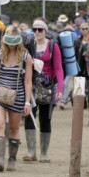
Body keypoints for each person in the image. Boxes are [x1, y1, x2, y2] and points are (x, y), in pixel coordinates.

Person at [0, 26, 33, 172]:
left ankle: (12, 159)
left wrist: (27, 102)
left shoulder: (26, 57)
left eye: (14, 40)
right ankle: (0, 158)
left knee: (14, 128)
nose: (11, 44)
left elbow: (28, 81)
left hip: (18, 95)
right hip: (0, 94)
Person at [23, 18, 63, 163]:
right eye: (34, 29)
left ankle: (44, 153)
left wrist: (60, 89)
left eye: (40, 29)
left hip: (47, 87)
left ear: (45, 31)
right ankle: (31, 152)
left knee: (45, 119)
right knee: (29, 116)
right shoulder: (28, 45)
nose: (37, 32)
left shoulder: (53, 46)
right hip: (31, 86)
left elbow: (58, 68)